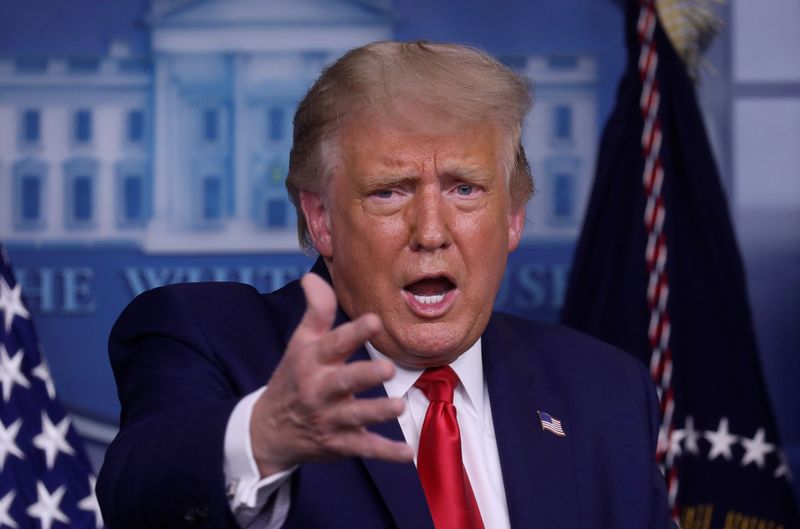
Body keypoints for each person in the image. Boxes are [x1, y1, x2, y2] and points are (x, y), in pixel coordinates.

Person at [97, 41, 673, 529]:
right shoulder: (209, 338)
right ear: (322, 219)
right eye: (388, 192)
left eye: (464, 189)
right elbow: (139, 493)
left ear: (514, 216)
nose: (431, 232)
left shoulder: (605, 391)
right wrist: (262, 438)